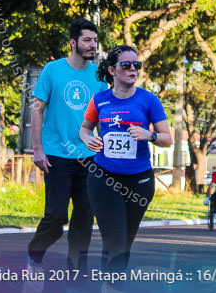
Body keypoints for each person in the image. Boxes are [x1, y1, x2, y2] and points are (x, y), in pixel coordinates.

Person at [80, 45, 173, 274]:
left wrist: (149, 135)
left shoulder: (149, 100)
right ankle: (113, 286)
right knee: (115, 240)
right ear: (112, 70)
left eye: (136, 65)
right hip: (104, 177)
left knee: (124, 242)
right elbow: (84, 129)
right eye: (126, 65)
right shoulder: (99, 100)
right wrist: (87, 139)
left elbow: (167, 139)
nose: (133, 69)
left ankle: (110, 284)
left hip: (139, 181)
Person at [26, 18, 106, 281]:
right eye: (86, 40)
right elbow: (37, 109)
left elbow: (104, 115)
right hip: (56, 155)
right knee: (57, 216)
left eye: (94, 40)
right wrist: (37, 149)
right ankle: (35, 255)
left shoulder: (99, 76)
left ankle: (76, 272)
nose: (92, 45)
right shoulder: (53, 70)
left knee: (84, 217)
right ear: (73, 42)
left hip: (89, 157)